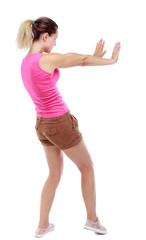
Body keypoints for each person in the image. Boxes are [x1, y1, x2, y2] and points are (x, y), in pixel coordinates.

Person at [16, 16, 121, 238]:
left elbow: (70, 58)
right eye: (54, 38)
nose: (55, 43)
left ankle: (42, 225)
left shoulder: (27, 62)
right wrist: (110, 61)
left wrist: (91, 56)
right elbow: (79, 60)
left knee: (54, 174)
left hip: (42, 125)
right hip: (59, 124)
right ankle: (92, 220)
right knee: (87, 168)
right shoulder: (44, 60)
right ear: (45, 36)